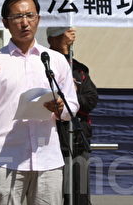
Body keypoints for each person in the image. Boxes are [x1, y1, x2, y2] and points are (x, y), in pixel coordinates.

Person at [0, 0, 79, 205]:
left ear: (39, 19)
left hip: (47, 158)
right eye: (18, 17)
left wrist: (60, 108)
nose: (25, 23)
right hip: (7, 158)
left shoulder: (55, 60)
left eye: (30, 15)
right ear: (5, 23)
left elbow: (72, 107)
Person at [47, 26, 98, 205]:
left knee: (80, 193)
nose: (72, 33)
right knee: (50, 193)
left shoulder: (79, 70)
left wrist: (72, 95)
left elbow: (91, 100)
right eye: (64, 31)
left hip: (77, 140)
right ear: (52, 39)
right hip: (50, 140)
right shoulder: (43, 65)